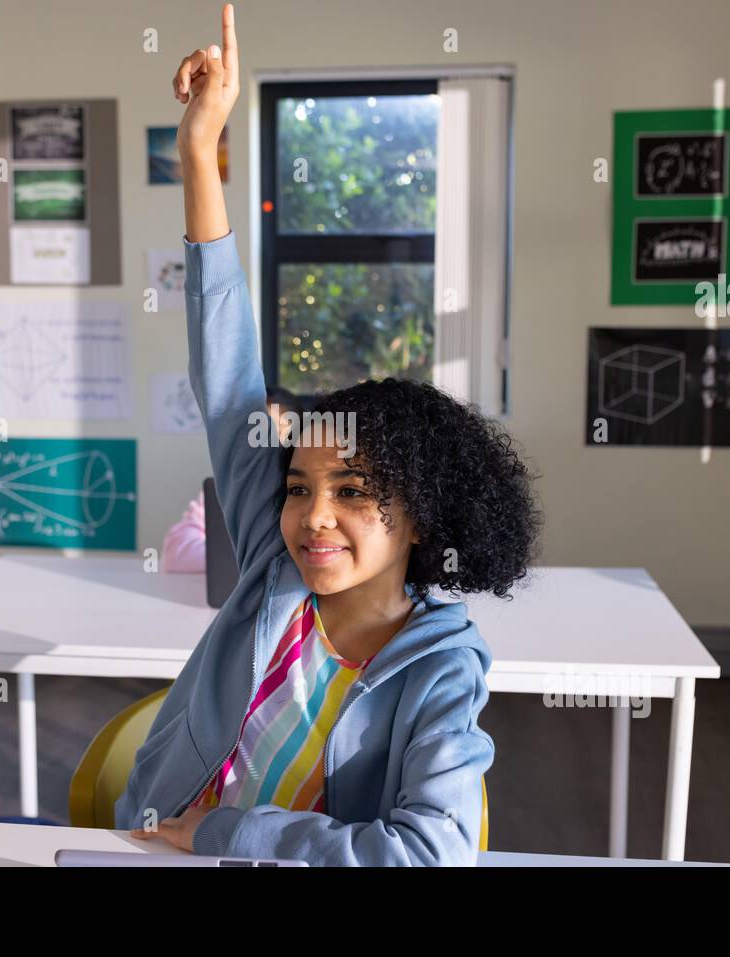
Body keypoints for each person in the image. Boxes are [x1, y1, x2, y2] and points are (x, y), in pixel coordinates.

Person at [120, 3, 540, 866]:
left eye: (353, 494)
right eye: (301, 486)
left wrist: (231, 832)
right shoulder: (275, 571)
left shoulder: (439, 668)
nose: (313, 515)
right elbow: (226, 360)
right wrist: (201, 153)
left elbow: (429, 853)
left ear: (419, 517)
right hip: (146, 846)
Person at [160, 387, 300, 573]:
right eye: (257, 434)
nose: (267, 446)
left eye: (278, 434)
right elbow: (176, 555)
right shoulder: (227, 487)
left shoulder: (306, 489)